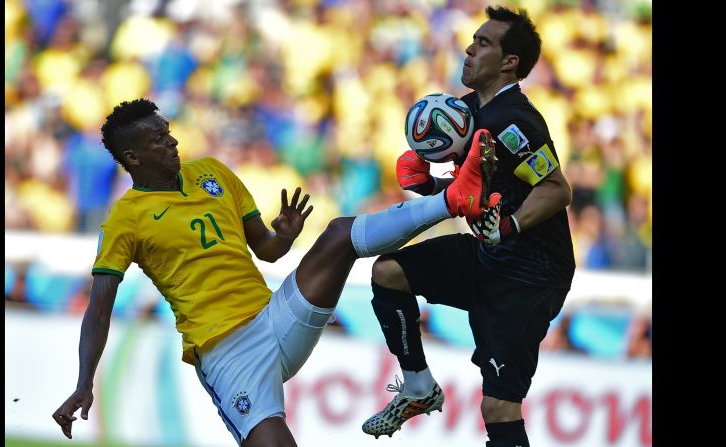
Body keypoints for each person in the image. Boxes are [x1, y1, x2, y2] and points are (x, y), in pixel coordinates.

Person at [51, 98, 497, 446]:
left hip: (275, 316)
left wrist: (283, 235)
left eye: (168, 132)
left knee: (339, 235)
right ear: (131, 156)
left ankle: (454, 198)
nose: (171, 142)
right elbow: (98, 310)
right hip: (228, 356)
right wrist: (84, 382)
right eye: (157, 139)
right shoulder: (125, 219)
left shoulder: (212, 172)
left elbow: (266, 250)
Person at [361, 6, 575, 447]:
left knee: (498, 407)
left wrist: (510, 226)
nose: (469, 48)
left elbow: (556, 189)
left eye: (483, 43)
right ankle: (418, 386)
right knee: (388, 273)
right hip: (489, 253)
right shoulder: (462, 111)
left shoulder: (515, 121)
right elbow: (471, 191)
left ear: (509, 61)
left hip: (531, 274)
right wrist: (429, 185)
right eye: (473, 40)